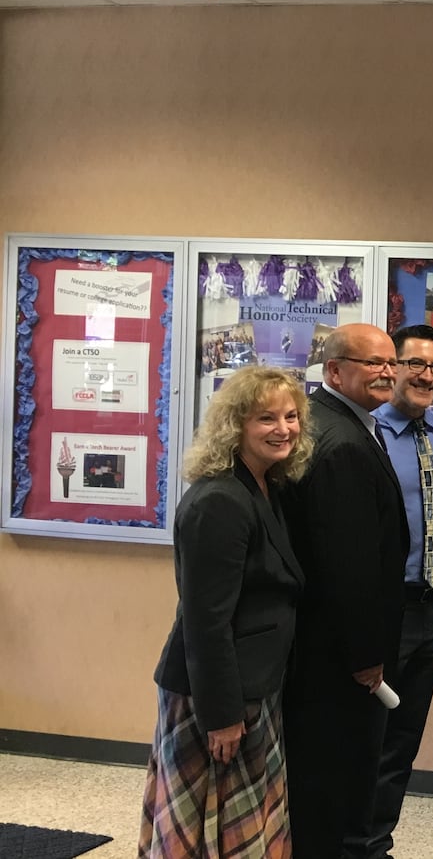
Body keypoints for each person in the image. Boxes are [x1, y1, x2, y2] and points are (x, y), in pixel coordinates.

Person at [140, 366, 311, 859]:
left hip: (255, 685)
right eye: (266, 418)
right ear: (235, 426)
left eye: (291, 416)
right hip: (215, 697)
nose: (284, 429)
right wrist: (223, 717)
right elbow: (206, 622)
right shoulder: (219, 501)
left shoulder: (264, 487)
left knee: (248, 825)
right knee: (208, 832)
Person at [282, 323, 410, 859]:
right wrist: (365, 657)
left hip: (328, 650)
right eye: (372, 362)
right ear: (334, 371)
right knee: (334, 787)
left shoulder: (345, 424)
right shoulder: (341, 444)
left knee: (335, 782)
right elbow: (346, 564)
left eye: (390, 362)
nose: (387, 372)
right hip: (337, 660)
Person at [357, 324, 433, 859]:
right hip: (380, 607)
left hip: (428, 606)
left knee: (402, 741)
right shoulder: (365, 432)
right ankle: (349, 844)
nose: (427, 375)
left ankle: (378, 844)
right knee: (364, 739)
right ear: (390, 367)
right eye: (415, 364)